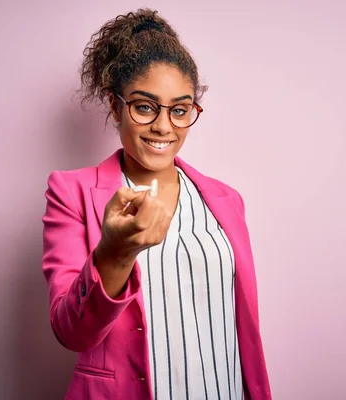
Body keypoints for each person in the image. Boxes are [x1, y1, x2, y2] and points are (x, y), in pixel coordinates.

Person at [42, 8, 271, 400]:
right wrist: (114, 252)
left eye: (180, 110)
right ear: (116, 107)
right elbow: (71, 332)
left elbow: (242, 331)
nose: (164, 127)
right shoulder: (71, 192)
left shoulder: (225, 199)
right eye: (145, 106)